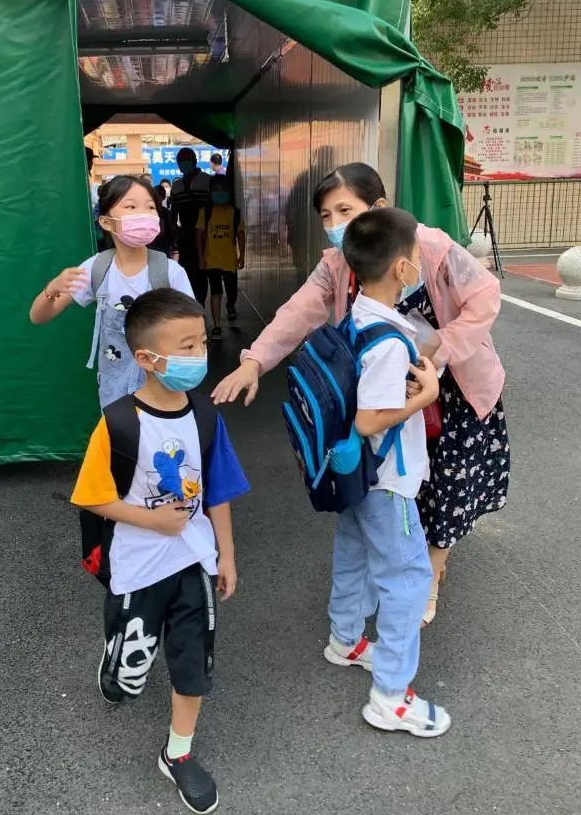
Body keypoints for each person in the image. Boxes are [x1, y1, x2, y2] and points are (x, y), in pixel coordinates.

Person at [213, 162, 509, 626]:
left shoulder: (429, 246)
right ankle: (405, 567)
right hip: (387, 387)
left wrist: (440, 349)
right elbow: (297, 312)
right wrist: (255, 360)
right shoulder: (338, 262)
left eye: (345, 210)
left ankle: (431, 573)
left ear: (379, 206)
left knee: (449, 485)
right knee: (402, 483)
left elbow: (485, 296)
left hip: (453, 384)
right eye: (326, 216)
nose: (335, 224)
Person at [70, 289, 248, 813]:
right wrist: (152, 519)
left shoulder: (205, 417)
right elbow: (92, 496)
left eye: (201, 343)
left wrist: (226, 556)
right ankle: (118, 661)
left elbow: (217, 492)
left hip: (193, 561)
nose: (199, 355)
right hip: (138, 567)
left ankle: (178, 753)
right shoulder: (119, 422)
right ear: (147, 358)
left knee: (193, 664)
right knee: (129, 673)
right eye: (186, 347)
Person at [323, 206, 450, 735]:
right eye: (416, 256)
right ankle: (391, 696)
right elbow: (370, 418)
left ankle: (345, 639)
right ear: (402, 268)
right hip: (387, 478)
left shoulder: (356, 318)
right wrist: (426, 396)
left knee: (354, 552)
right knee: (409, 577)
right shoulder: (390, 341)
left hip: (356, 473)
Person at [29, 176, 194, 409]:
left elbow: (193, 332)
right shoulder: (96, 269)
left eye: (150, 207)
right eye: (131, 207)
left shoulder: (170, 272)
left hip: (163, 390)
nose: (143, 214)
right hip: (114, 392)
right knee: (118, 433)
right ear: (106, 222)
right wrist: (51, 290)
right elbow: (38, 317)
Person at [196, 175, 245, 340]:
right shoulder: (205, 212)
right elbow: (199, 235)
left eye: (223, 190)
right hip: (212, 260)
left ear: (229, 192)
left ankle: (230, 305)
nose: (220, 193)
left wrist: (242, 256)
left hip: (230, 260)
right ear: (211, 192)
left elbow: (240, 235)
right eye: (216, 190)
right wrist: (201, 257)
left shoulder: (234, 213)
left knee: (232, 291)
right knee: (216, 292)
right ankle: (217, 326)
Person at [170, 149, 211, 305]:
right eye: (180, 161)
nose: (183, 164)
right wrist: (175, 230)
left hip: (206, 235)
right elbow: (173, 212)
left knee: (203, 271)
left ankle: (200, 303)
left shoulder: (207, 180)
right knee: (187, 271)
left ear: (194, 161)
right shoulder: (176, 185)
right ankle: (191, 303)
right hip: (185, 236)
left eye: (186, 161)